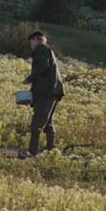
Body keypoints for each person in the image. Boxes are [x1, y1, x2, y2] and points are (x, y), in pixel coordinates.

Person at [21, 30, 64, 158]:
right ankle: (51, 150)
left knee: (38, 121)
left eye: (31, 43)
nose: (31, 46)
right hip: (54, 91)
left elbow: (42, 67)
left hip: (46, 92)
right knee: (48, 122)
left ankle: (32, 152)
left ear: (35, 40)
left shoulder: (41, 49)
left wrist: (30, 78)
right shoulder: (48, 50)